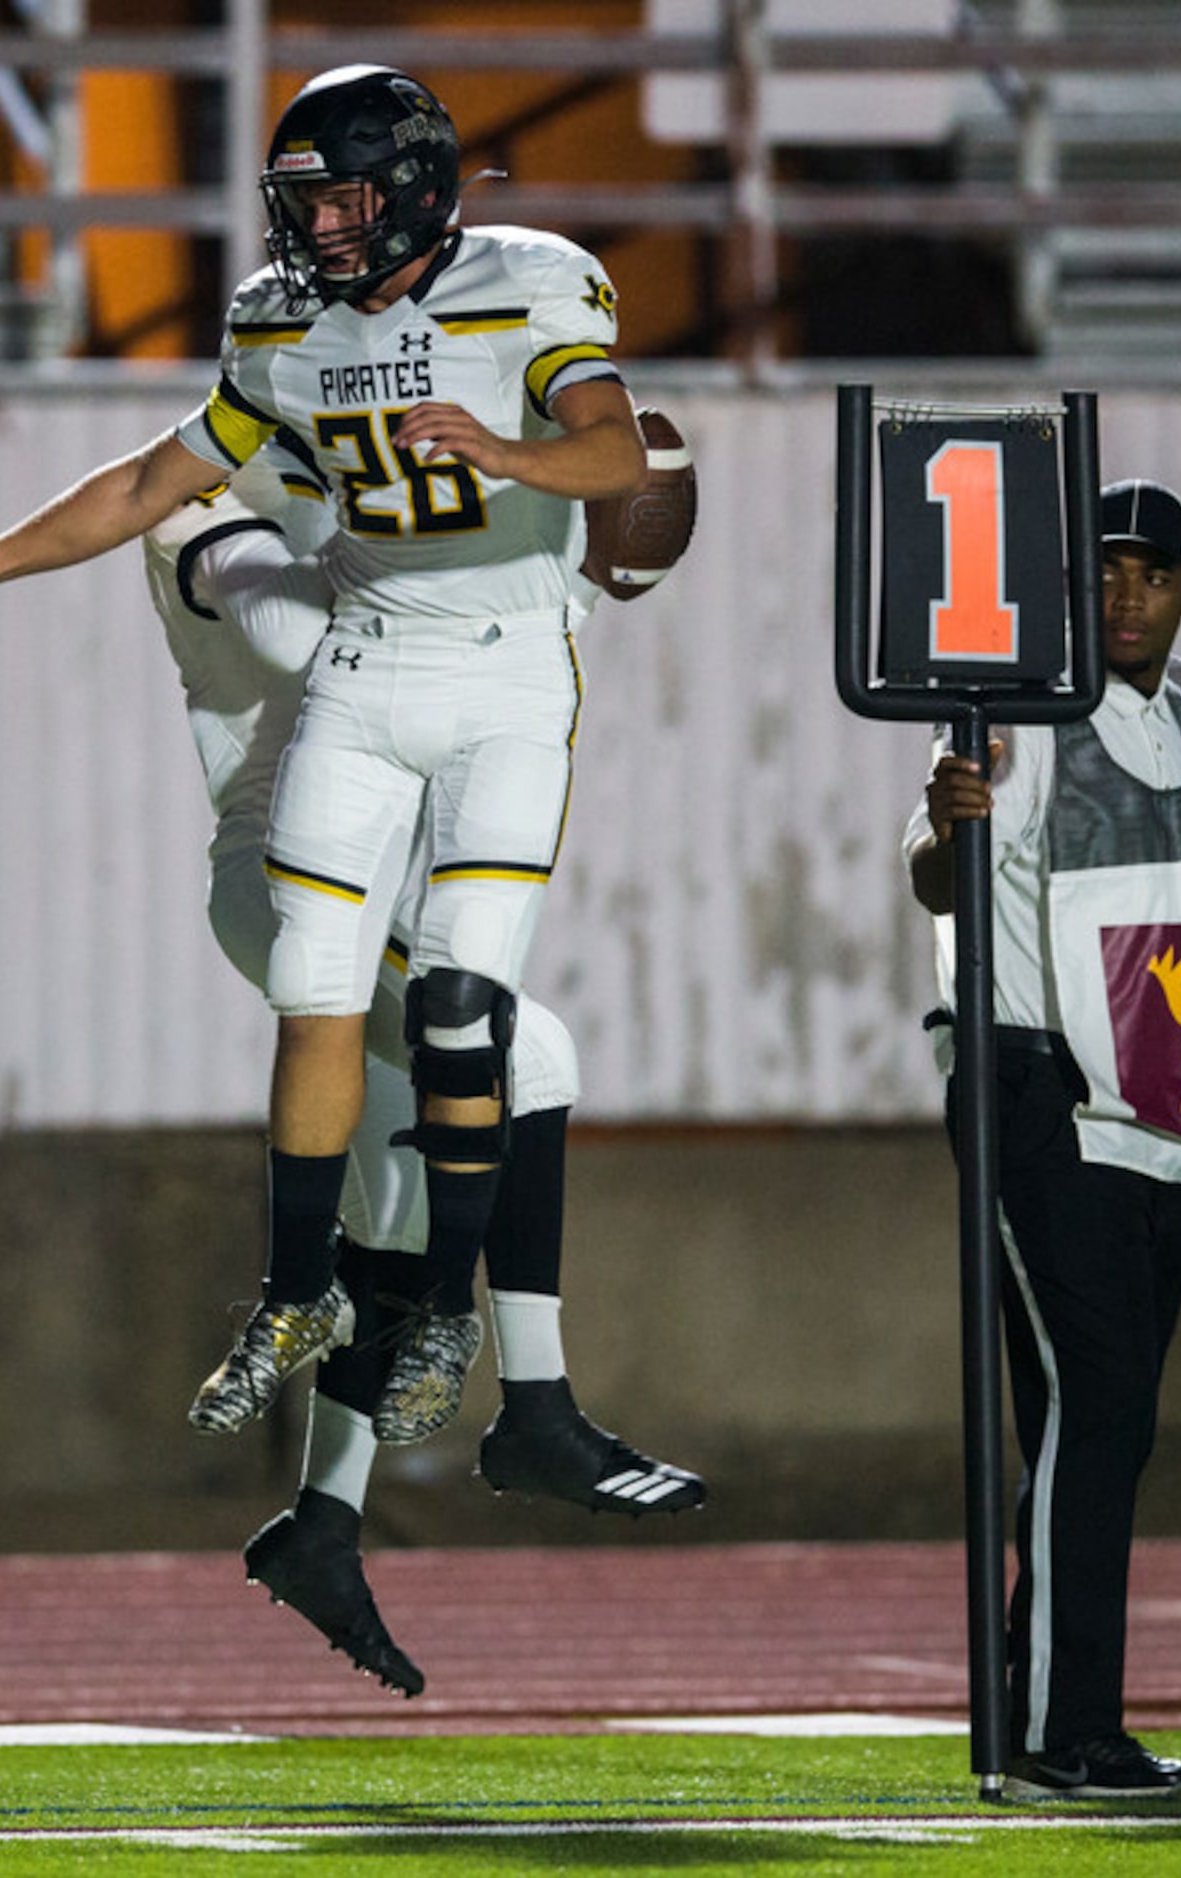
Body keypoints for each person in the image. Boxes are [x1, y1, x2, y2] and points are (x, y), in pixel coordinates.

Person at [0, 68, 645, 1474]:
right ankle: (314, 1307)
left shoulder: (529, 286)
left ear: (420, 188)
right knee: (329, 1008)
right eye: (300, 201)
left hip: (493, 675)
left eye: (342, 197)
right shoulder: (270, 367)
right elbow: (157, 486)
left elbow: (615, 447)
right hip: (361, 678)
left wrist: (512, 456)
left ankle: (438, 1340)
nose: (318, 226)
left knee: (470, 1020)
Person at [141, 457, 703, 1696]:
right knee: (532, 1052)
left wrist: (580, 525)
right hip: (287, 871)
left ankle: (321, 1526)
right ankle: (538, 1409)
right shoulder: (201, 498)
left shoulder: (385, 448)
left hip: (389, 875)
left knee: (394, 1210)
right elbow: (311, 639)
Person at [901, 478, 1181, 1802]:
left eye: (1151, 572)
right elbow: (937, 870)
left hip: (1163, 1103)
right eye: (1102, 570)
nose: (1124, 593)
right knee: (1099, 1406)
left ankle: (1055, 1708)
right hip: (1041, 1091)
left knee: (1100, 1421)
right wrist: (948, 822)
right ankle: (1053, 1735)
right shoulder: (1022, 718)